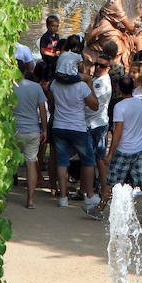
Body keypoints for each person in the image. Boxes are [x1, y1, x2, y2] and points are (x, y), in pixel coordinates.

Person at [86, 74, 142, 225]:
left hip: (124, 149)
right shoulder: (139, 103)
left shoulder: (119, 107)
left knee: (111, 180)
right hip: (140, 147)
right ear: (132, 88)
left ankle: (99, 209)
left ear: (119, 88)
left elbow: (118, 132)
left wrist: (110, 153)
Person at [49, 63, 99, 210]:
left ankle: (63, 197)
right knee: (88, 160)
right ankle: (89, 194)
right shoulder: (82, 86)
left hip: (59, 125)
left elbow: (51, 102)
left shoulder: (54, 85)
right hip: (78, 127)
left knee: (62, 161)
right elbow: (95, 105)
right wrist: (89, 82)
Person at [13, 55, 48, 209]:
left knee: (9, 163)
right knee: (31, 163)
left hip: (14, 130)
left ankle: (1, 195)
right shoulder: (36, 87)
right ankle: (31, 200)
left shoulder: (10, 87)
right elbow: (42, 111)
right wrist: (45, 130)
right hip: (32, 130)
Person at [85, 52, 114, 206]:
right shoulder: (97, 79)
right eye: (96, 64)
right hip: (93, 123)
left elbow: (91, 101)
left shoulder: (101, 83)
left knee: (98, 159)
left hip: (97, 124)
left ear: (108, 68)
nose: (97, 68)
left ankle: (104, 192)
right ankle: (97, 190)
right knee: (96, 158)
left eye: (101, 66)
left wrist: (87, 81)